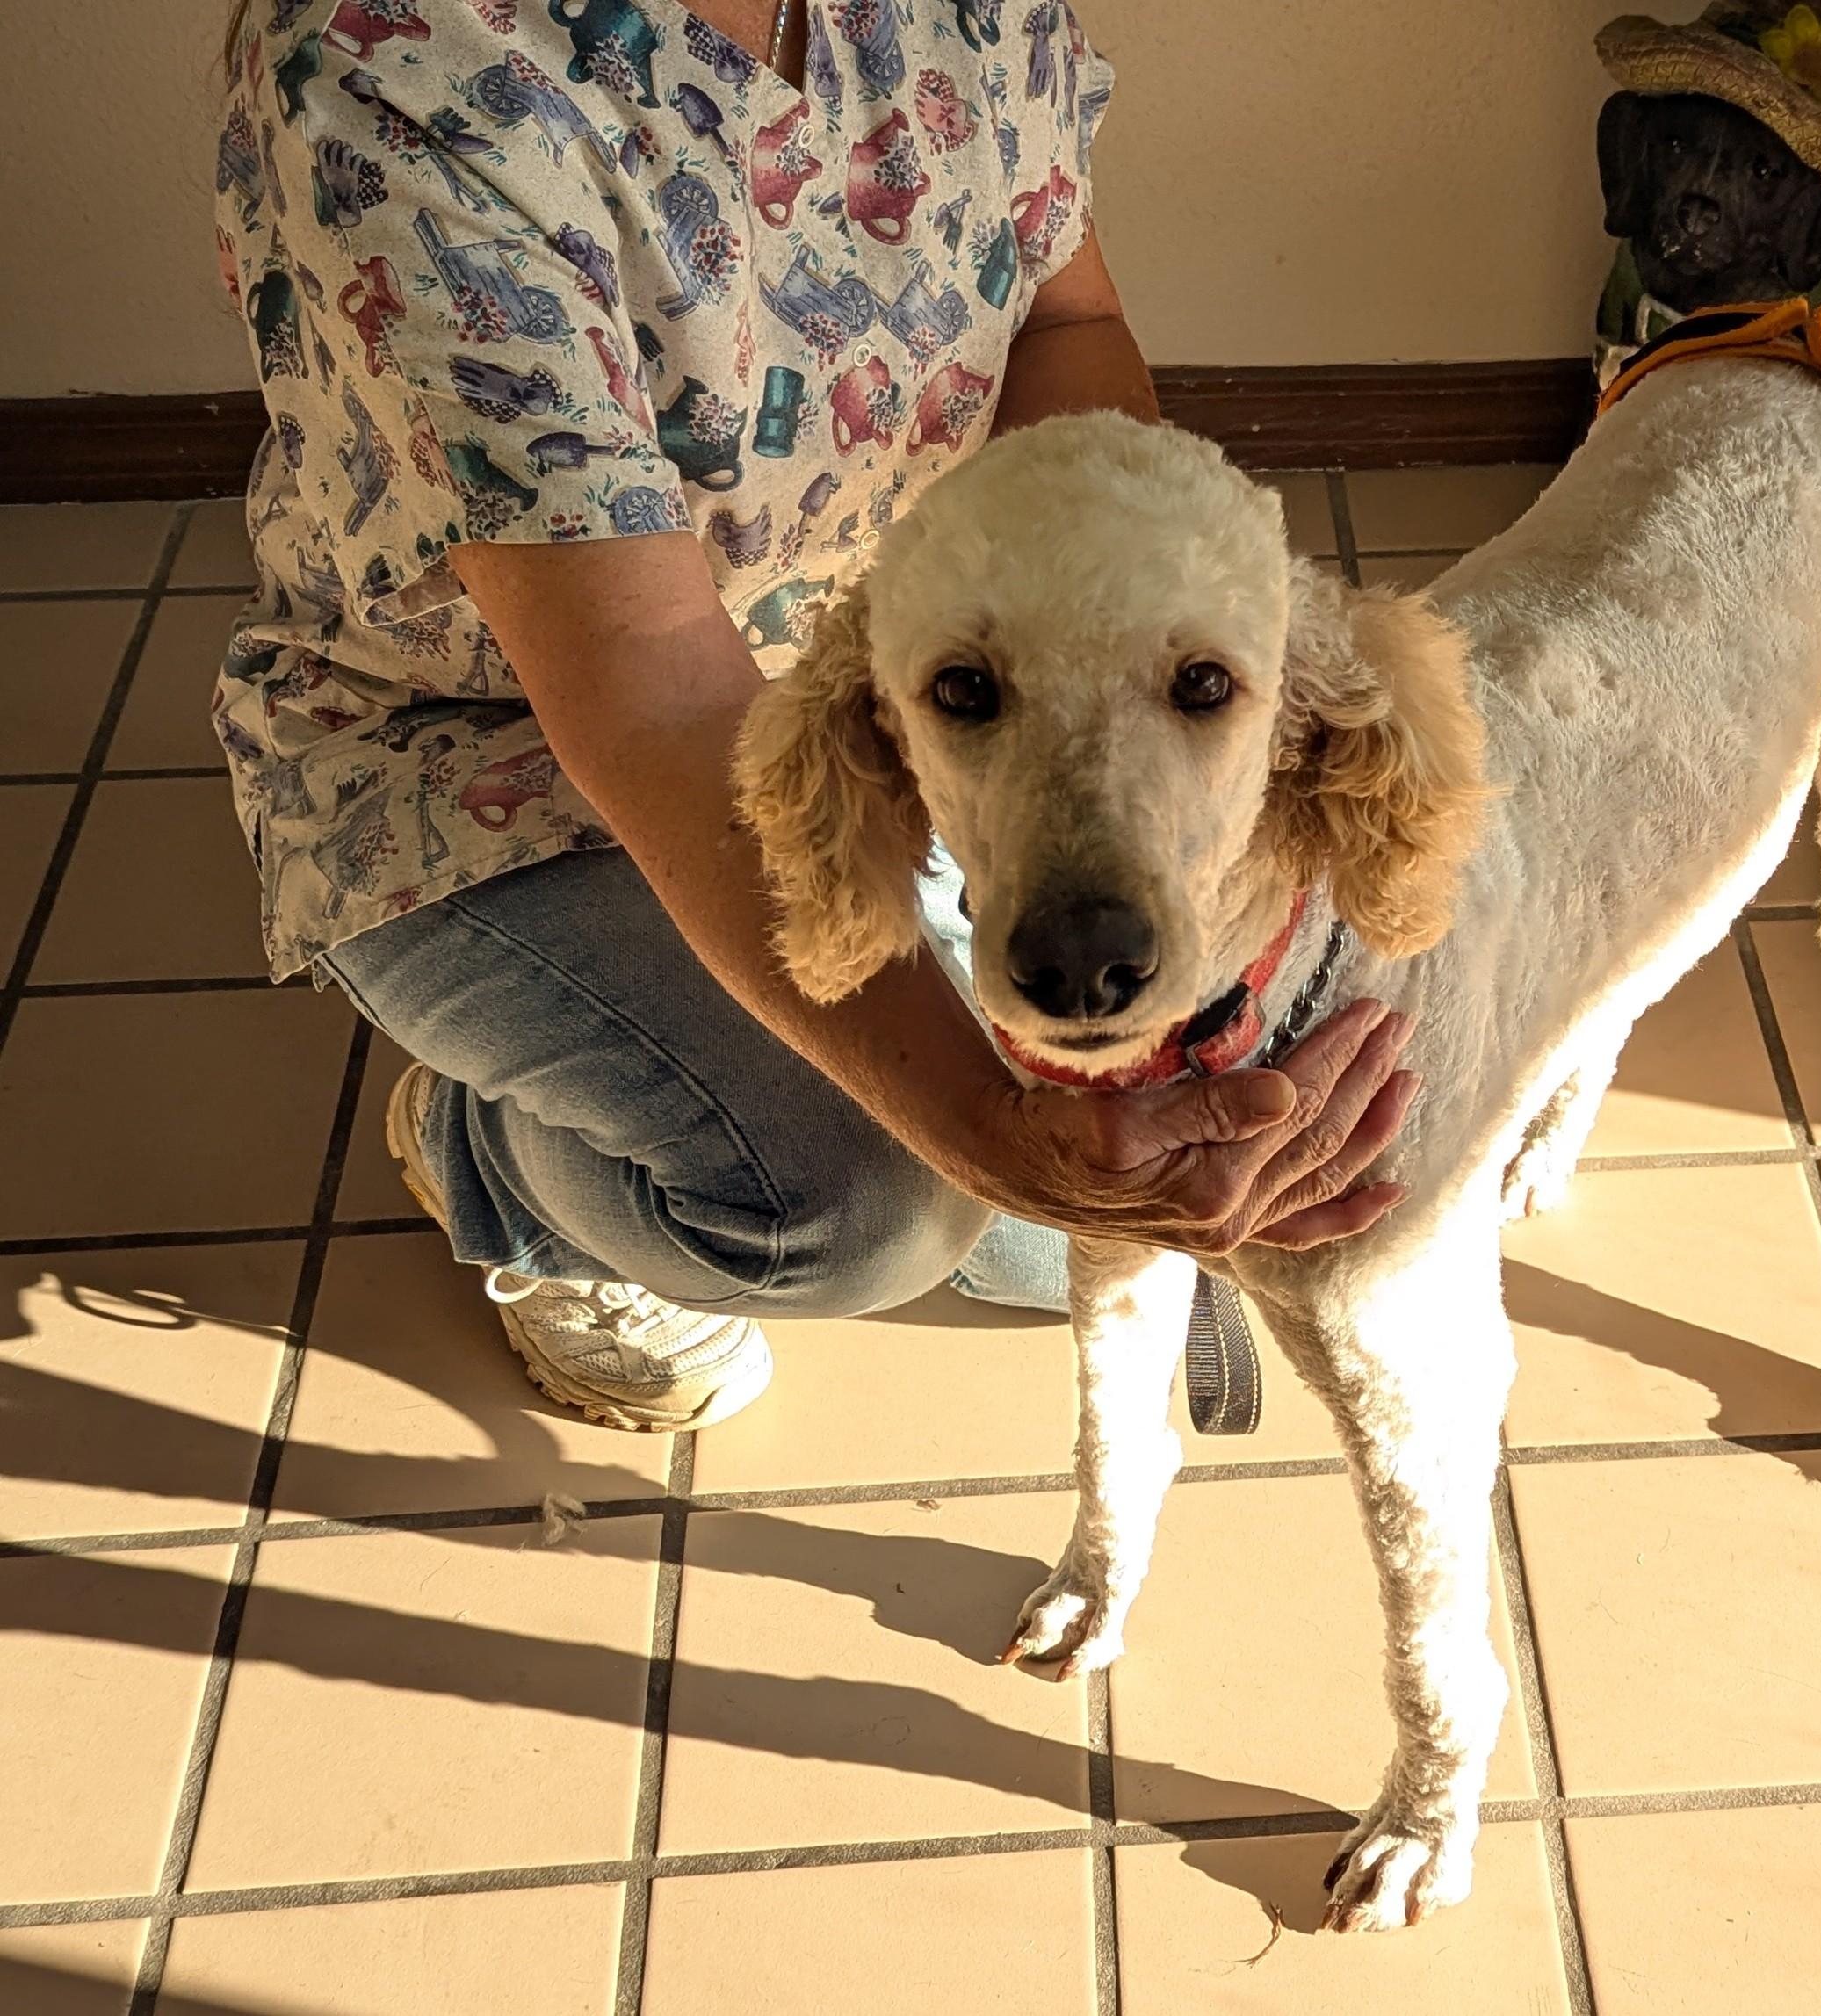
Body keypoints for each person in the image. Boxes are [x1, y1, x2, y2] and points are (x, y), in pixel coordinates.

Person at [212, 0, 1418, 1430]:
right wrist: (979, 1129)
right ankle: (498, 1161)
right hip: (484, 755)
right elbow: (658, 699)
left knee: (1118, 1196)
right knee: (865, 1209)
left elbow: (1065, 321)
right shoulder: (392, 64)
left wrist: (1115, 699)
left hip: (915, 706)